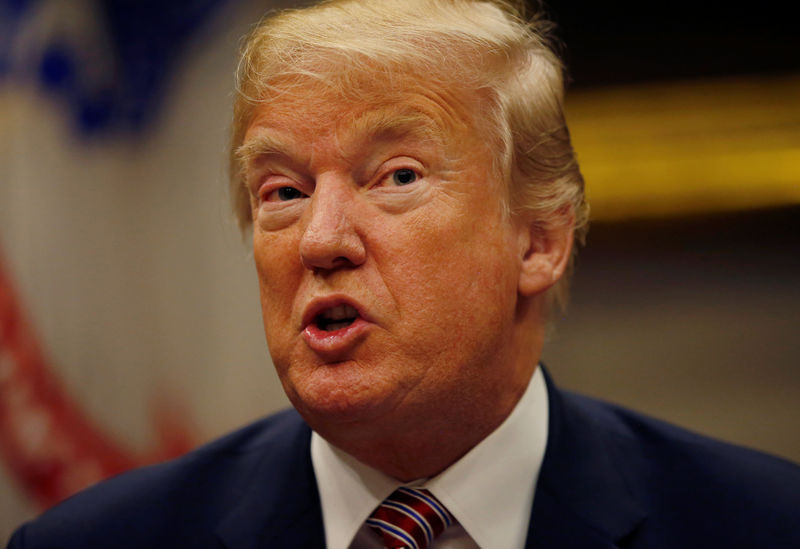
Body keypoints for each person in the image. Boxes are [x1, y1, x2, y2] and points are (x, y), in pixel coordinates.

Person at [7, 0, 799, 547]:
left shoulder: (763, 526)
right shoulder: (91, 543)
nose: (321, 240)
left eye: (396, 176)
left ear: (539, 243)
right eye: (282, 191)